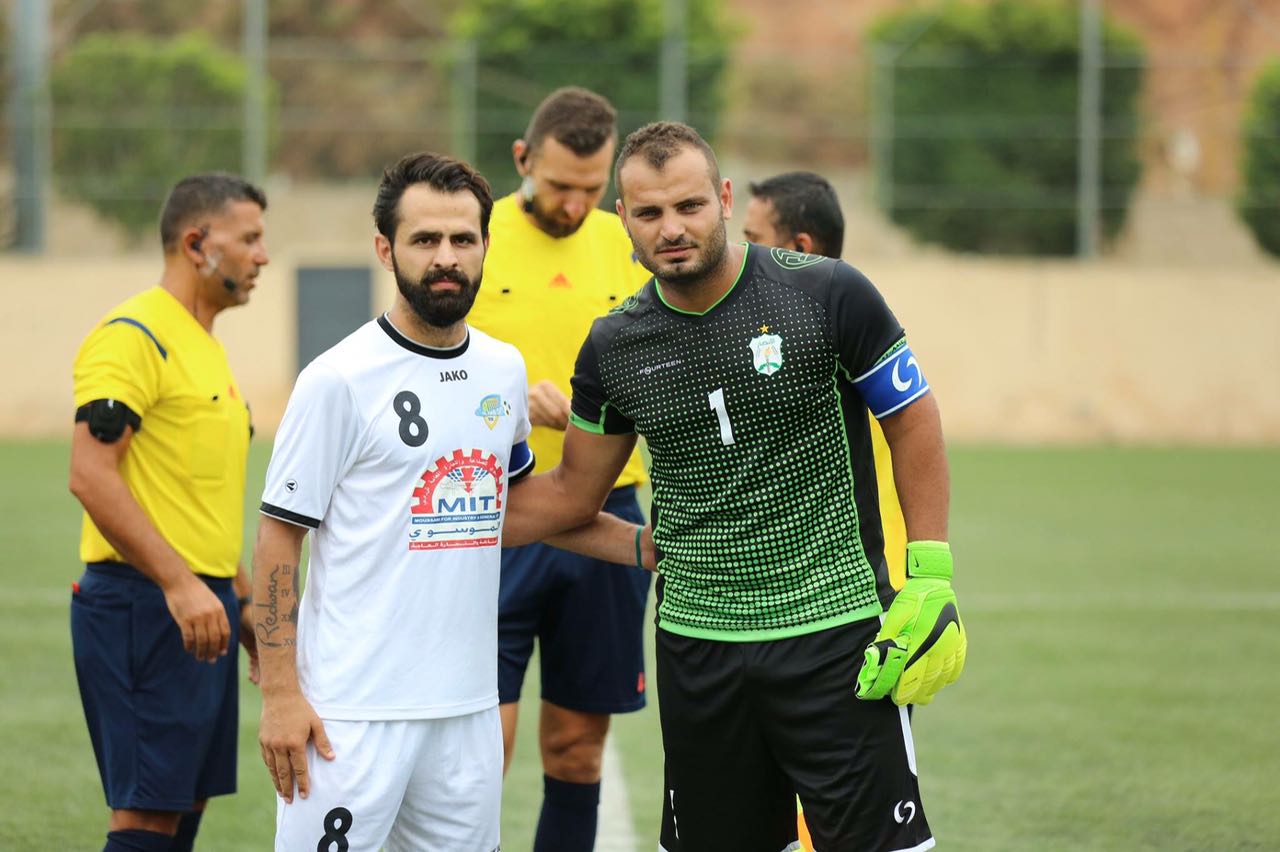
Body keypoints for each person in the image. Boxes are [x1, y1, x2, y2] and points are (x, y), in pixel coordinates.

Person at [501, 123, 967, 851]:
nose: (671, 228)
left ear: (722, 199)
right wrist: (437, 509)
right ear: (622, 219)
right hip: (699, 650)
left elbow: (911, 416)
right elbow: (570, 496)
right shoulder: (613, 345)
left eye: (688, 206)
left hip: (836, 635)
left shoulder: (826, 291)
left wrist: (930, 574)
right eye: (649, 212)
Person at [253, 151, 652, 852]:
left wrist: (644, 546)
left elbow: (514, 508)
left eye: (463, 239)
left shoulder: (501, 368)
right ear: (386, 250)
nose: (446, 258)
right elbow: (280, 536)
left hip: (466, 714)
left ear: (486, 245)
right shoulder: (338, 379)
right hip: (353, 713)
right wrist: (282, 695)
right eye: (425, 239)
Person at [466, 85, 653, 852]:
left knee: (577, 750)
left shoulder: (629, 241)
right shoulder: (467, 237)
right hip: (494, 517)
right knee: (479, 754)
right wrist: (509, 402)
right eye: (558, 185)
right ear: (522, 158)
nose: (575, 204)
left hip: (609, 517)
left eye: (590, 187)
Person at [68, 173, 268, 852]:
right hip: (144, 605)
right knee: (147, 819)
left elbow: (193, 498)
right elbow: (90, 474)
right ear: (196, 244)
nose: (262, 256)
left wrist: (241, 599)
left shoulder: (204, 345)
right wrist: (179, 585)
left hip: (204, 604)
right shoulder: (133, 335)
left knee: (181, 811)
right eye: (249, 239)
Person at [744, 170, 913, 851]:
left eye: (752, 237)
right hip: (784, 607)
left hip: (856, 606)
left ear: (800, 246)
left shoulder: (836, 329)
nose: (738, 252)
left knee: (847, 822)